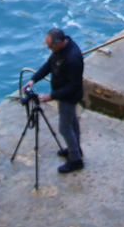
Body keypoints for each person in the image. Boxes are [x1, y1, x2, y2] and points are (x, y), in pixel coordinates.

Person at [24, 28, 85, 174]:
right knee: (72, 121)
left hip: (68, 96)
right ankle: (75, 148)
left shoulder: (72, 58)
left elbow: (74, 85)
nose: (49, 49)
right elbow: (49, 65)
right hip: (63, 93)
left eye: (50, 46)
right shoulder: (58, 52)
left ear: (59, 43)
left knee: (64, 128)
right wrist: (34, 79)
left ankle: (75, 159)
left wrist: (52, 96)